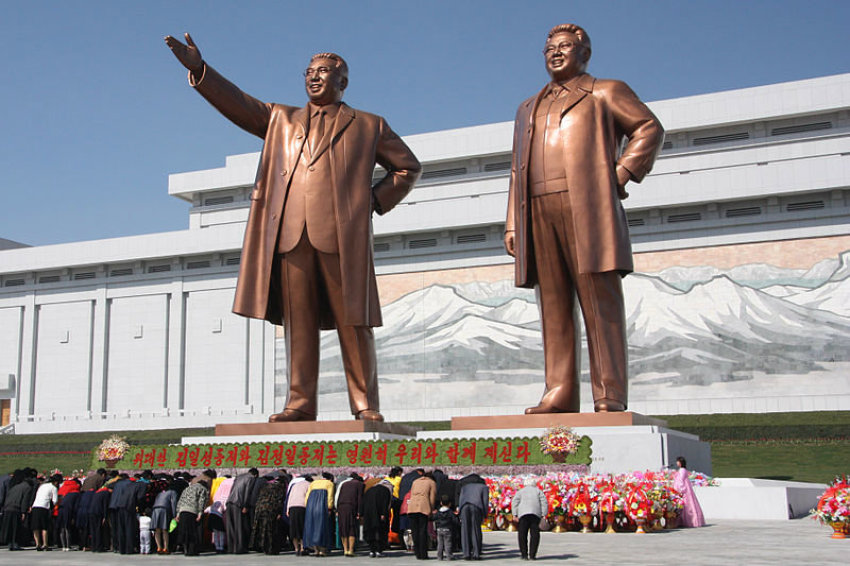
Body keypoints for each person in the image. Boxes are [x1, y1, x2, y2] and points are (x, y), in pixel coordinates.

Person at [164, 33, 421, 423]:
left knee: (354, 320)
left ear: (342, 82)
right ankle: (300, 402)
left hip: (340, 235)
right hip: (289, 233)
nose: (314, 78)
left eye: (324, 73)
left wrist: (370, 201)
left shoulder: (369, 125)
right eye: (309, 72)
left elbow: (407, 167)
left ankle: (364, 403)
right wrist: (200, 70)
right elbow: (238, 104)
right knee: (297, 323)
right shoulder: (280, 119)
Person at [504, 23, 664, 414]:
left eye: (564, 47)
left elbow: (648, 127)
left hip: (587, 206)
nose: (555, 53)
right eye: (549, 49)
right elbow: (515, 170)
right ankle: (558, 392)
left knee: (599, 300)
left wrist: (620, 174)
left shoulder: (605, 91)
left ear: (584, 53)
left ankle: (608, 392)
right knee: (553, 304)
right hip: (538, 208)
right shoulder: (528, 106)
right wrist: (512, 222)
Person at [511, 477, 548, 561]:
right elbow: (544, 502)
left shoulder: (520, 491)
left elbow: (515, 502)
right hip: (535, 514)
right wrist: (544, 514)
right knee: (535, 535)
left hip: (523, 514)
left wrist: (514, 514)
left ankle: (524, 554)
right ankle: (532, 554)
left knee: (522, 534)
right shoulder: (538, 491)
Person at [250, 475, 288, 555]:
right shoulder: (280, 487)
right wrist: (279, 512)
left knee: (262, 529)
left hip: (260, 508)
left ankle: (263, 547)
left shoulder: (266, 486)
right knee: (272, 530)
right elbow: (279, 500)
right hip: (271, 509)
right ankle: (271, 549)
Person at [226, 468, 258, 554]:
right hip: (238, 503)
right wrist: (245, 505)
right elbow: (247, 491)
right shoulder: (251, 478)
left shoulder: (239, 477)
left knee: (231, 527)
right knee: (239, 527)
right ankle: (239, 548)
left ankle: (231, 548)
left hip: (229, 502)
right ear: (256, 475)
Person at [457, 474, 489, 560]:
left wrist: (460, 512)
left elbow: (460, 499)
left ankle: (466, 553)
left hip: (464, 507)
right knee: (475, 530)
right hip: (476, 507)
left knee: (464, 530)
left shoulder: (465, 487)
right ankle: (476, 553)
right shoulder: (484, 487)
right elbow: (485, 502)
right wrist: (485, 515)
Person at [175, 477, 209, 556]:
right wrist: (200, 513)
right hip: (192, 511)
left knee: (185, 531)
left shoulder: (187, 489)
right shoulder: (202, 489)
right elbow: (202, 501)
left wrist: (178, 514)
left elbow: (181, 500)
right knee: (192, 532)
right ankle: (192, 551)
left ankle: (185, 549)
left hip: (183, 511)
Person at [407, 471, 437, 560]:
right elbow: (432, 497)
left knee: (415, 531)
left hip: (412, 507)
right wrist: (431, 509)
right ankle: (423, 553)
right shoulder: (431, 483)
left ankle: (417, 553)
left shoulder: (415, 481)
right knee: (422, 531)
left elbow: (411, 494)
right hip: (423, 507)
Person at [304, 472, 335, 556]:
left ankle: (316, 550)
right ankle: (322, 550)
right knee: (322, 527)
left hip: (310, 506)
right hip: (322, 506)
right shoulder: (329, 484)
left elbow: (307, 496)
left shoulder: (313, 483)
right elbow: (330, 497)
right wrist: (329, 507)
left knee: (312, 527)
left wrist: (307, 506)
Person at [361, 479, 393, 558]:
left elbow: (363, 502)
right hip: (379, 514)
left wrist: (361, 513)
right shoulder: (385, 491)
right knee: (380, 531)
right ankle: (379, 550)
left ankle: (372, 550)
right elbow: (385, 503)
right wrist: (383, 513)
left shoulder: (369, 490)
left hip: (369, 515)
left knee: (370, 531)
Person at [30, 473, 62, 551]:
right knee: (44, 527)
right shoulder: (53, 488)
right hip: (44, 507)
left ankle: (38, 544)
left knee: (36, 527)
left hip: (35, 506)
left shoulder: (42, 486)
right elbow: (55, 501)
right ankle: (45, 544)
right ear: (57, 482)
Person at [335, 473, 364, 557]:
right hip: (351, 507)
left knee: (343, 528)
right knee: (352, 528)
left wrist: (337, 509)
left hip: (341, 507)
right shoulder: (360, 485)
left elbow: (338, 496)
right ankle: (351, 550)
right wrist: (359, 512)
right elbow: (360, 499)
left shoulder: (344, 484)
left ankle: (345, 550)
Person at [673, 457, 706, 528]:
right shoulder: (682, 470)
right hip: (684, 488)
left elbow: (681, 480)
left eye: (678, 462)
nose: (677, 463)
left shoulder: (682, 470)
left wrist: (680, 489)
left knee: (686, 504)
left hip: (683, 489)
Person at [151, 478, 178, 554]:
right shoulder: (173, 492)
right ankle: (166, 547)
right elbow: (173, 504)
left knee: (157, 529)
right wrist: (174, 515)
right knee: (164, 529)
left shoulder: (159, 493)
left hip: (155, 510)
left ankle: (159, 547)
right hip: (164, 509)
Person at [286, 474, 311, 556]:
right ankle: (303, 548)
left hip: (292, 507)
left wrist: (287, 509)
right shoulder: (309, 484)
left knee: (294, 528)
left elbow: (290, 496)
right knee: (302, 527)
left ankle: (296, 549)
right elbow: (308, 497)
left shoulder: (295, 485)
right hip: (302, 506)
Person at [432, 494, 458, 561]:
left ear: (441, 503)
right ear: (449, 504)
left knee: (440, 543)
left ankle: (439, 556)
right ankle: (449, 556)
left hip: (439, 529)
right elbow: (454, 520)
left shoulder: (438, 512)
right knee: (448, 543)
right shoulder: (450, 512)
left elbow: (433, 518)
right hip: (447, 529)